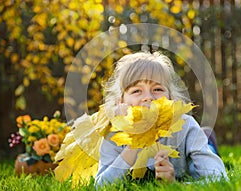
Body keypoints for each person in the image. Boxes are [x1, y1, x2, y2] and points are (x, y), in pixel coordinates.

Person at [54, 51, 227, 188]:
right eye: (137, 91)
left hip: (195, 146)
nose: (148, 98)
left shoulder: (186, 126)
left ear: (171, 97)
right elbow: (102, 186)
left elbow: (219, 178)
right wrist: (132, 147)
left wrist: (176, 185)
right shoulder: (115, 132)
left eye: (157, 89)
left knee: (205, 142)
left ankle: (208, 137)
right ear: (121, 102)